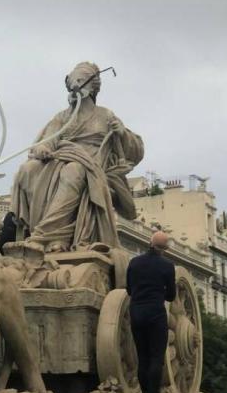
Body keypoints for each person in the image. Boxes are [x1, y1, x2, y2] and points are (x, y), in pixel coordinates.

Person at [11, 61, 144, 253]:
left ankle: (49, 235)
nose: (74, 87)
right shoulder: (63, 117)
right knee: (27, 170)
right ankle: (35, 233)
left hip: (92, 164)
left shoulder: (105, 115)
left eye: (79, 82)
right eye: (71, 83)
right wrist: (42, 148)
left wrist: (122, 133)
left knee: (73, 171)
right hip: (61, 158)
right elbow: (49, 138)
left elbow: (136, 150)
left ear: (92, 86)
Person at [126, 231, 176, 393]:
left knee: (143, 357)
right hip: (155, 313)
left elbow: (129, 289)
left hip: (137, 312)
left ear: (150, 242)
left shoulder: (134, 262)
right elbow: (171, 295)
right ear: (165, 249)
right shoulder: (167, 266)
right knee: (156, 357)